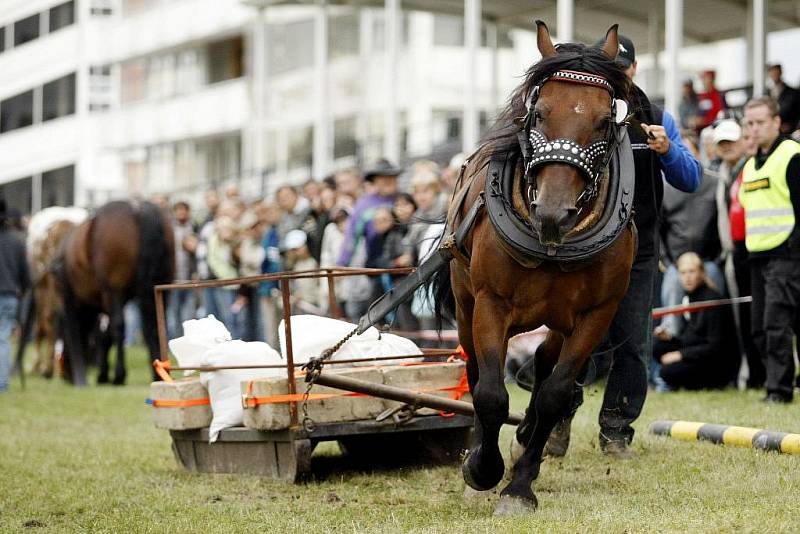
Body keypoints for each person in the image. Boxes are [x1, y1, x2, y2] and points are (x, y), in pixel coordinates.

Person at [565, 34, 702, 458]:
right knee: (572, 341)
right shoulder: (581, 111)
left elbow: (692, 178)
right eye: (610, 69)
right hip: (585, 248)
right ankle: (556, 420)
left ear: (634, 69)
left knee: (633, 343)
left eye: (622, 69)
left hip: (638, 252)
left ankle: (617, 431)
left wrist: (667, 152)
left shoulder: (658, 117)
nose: (618, 77)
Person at [738, 96, 800, 403]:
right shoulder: (750, 164)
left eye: (761, 122)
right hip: (758, 257)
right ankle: (778, 382)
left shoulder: (792, 155)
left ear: (777, 122)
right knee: (760, 327)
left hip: (787, 254)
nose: (754, 129)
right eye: (750, 123)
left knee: (776, 325)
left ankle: (779, 390)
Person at [713, 120, 764, 388]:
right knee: (742, 319)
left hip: (755, 251)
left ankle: (762, 374)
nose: (728, 147)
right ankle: (751, 374)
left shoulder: (751, 168)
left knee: (760, 317)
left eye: (732, 141)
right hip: (732, 254)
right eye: (722, 143)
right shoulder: (720, 172)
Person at [653, 253, 739, 390]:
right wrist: (670, 338)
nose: (687, 277)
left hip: (714, 361)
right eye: (683, 272)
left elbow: (715, 346)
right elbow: (693, 336)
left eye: (692, 271)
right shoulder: (689, 298)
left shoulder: (712, 301)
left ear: (702, 273)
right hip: (697, 352)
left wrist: (680, 355)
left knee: (667, 371)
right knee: (658, 346)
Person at [337, 159, 402, 319]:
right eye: (383, 177)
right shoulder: (364, 204)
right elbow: (352, 237)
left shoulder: (403, 199)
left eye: (392, 176)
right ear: (374, 181)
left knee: (403, 318)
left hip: (403, 269)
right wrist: (342, 264)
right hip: (376, 267)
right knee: (379, 316)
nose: (388, 181)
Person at [0, 197, 30, 392]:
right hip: (10, 296)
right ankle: (2, 382)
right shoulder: (16, 241)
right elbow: (25, 275)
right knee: (3, 339)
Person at [168, 201, 198, 339]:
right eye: (178, 210)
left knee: (189, 313)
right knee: (173, 312)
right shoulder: (169, 229)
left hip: (189, 277)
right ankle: (175, 340)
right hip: (173, 278)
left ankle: (188, 339)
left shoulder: (194, 227)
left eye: (184, 210)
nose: (181, 213)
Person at [766, 64, 800, 135]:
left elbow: (797, 112)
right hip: (771, 129)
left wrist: (791, 125)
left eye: (776, 73)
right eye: (772, 74)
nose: (774, 76)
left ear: (780, 73)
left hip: (787, 131)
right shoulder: (767, 93)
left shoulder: (793, 93)